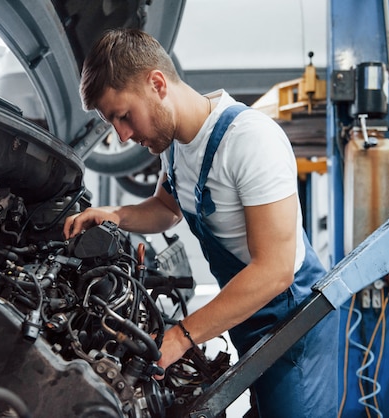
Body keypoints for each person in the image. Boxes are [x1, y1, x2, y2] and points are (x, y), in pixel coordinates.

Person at [63, 28, 339, 417]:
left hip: (293, 324)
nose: (122, 135)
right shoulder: (176, 147)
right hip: (249, 317)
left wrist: (181, 337)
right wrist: (116, 216)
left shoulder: (249, 140)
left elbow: (276, 270)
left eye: (123, 116)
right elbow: (167, 207)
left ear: (157, 83)